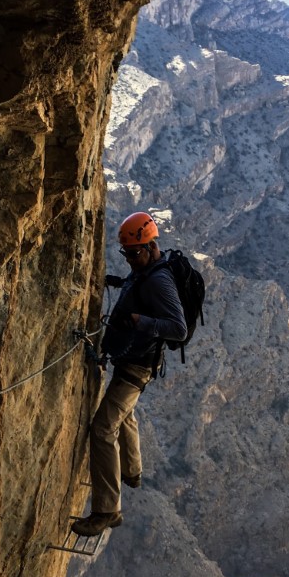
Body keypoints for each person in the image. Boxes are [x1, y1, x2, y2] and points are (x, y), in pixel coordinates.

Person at [72, 212, 187, 537]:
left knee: (103, 427)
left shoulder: (159, 279)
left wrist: (139, 322)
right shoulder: (145, 271)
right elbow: (137, 287)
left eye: (134, 254)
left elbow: (177, 328)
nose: (131, 260)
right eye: (127, 255)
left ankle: (107, 511)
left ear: (151, 247)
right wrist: (119, 283)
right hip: (132, 361)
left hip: (137, 368)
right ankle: (133, 471)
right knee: (125, 414)